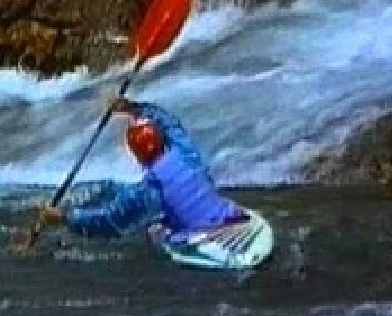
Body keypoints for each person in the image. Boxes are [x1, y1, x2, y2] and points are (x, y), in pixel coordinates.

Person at [30, 97, 249, 249]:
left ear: (135, 154)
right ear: (161, 139)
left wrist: (65, 217)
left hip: (199, 236)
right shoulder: (186, 153)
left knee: (154, 229)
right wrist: (133, 108)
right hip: (229, 217)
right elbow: (170, 123)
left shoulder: (148, 192)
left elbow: (109, 220)